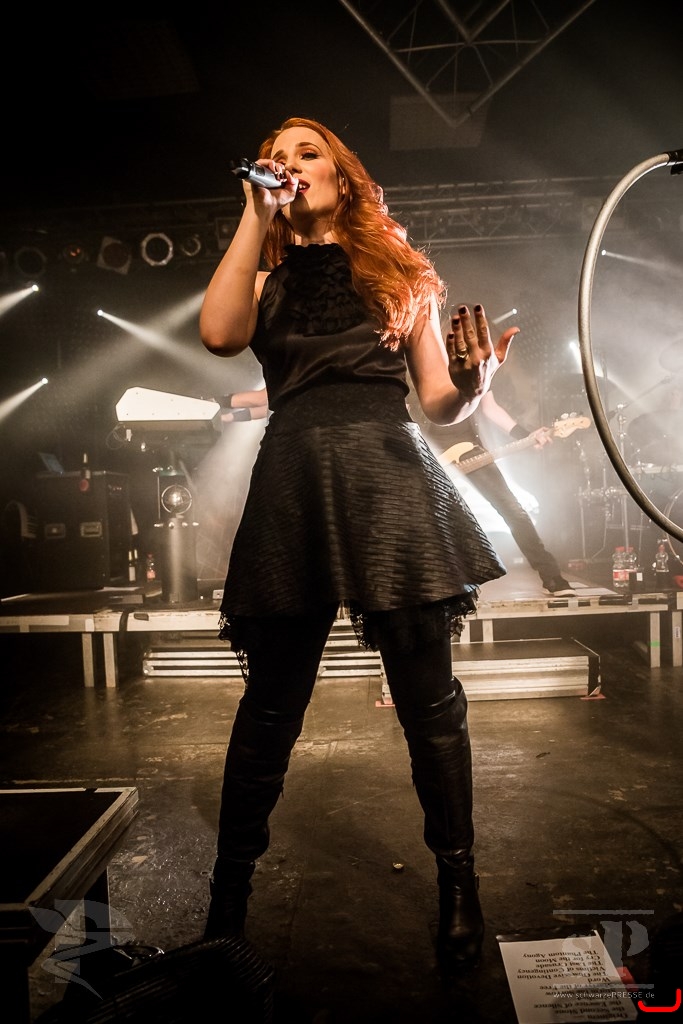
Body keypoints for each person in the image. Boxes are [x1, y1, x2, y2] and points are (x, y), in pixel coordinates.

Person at [198, 116, 517, 971]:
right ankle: (227, 900)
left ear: (342, 176)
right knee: (270, 707)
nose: (287, 164)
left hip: (388, 474)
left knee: (429, 704)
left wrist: (476, 384)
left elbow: (437, 402)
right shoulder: (260, 271)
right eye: (276, 155)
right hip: (295, 476)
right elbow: (219, 335)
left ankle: (458, 881)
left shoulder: (401, 274)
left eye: (306, 153)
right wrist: (255, 214)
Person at [422, 389, 575, 596]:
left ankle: (552, 577)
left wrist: (524, 435)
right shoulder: (416, 368)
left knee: (512, 509)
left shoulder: (470, 368)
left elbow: (490, 407)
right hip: (426, 453)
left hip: (468, 450)